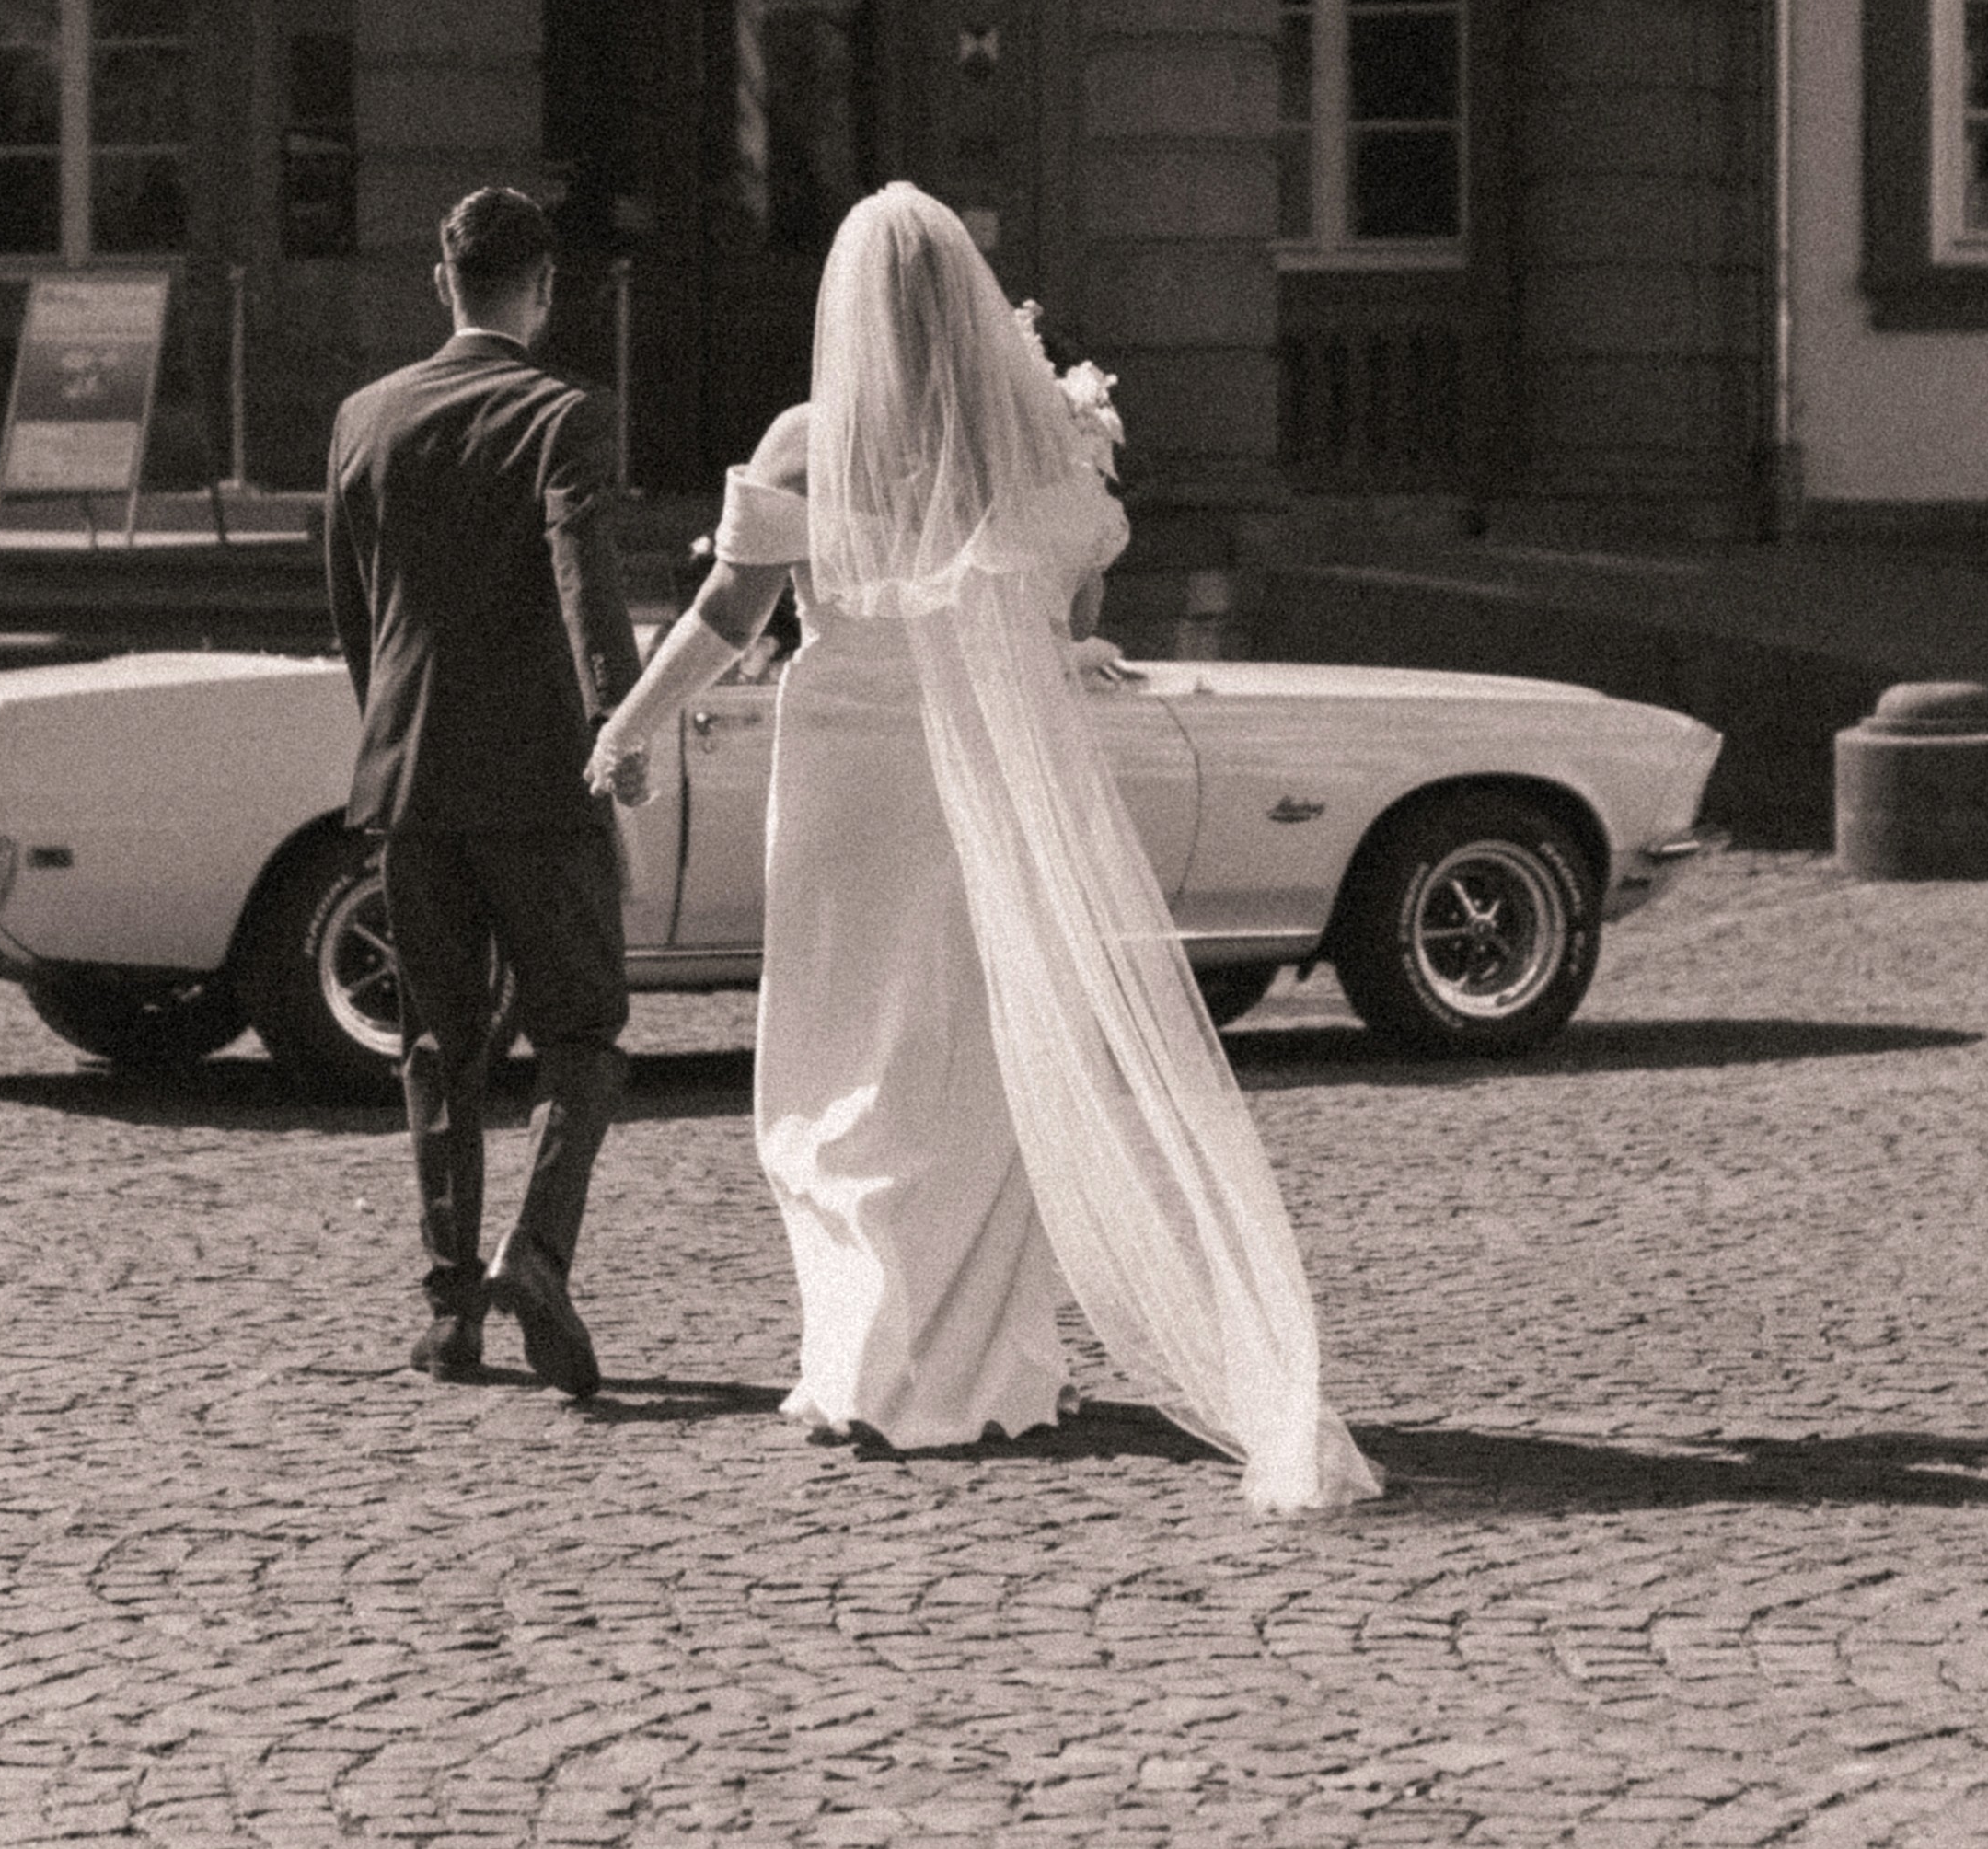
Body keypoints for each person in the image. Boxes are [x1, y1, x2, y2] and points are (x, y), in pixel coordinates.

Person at [586, 183, 1383, 1514]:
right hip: (975, 779)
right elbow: (1071, 593)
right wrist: (1055, 649)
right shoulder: (1033, 439)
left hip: (846, 778)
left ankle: (868, 1361)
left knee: (845, 1059)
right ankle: (993, 1362)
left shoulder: (806, 440)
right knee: (976, 1051)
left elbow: (726, 617)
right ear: (965, 303)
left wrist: (625, 722)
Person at [320, 184, 649, 1400]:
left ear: (439, 282)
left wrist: (396, 734)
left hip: (408, 774)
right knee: (583, 1029)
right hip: (536, 779)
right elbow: (580, 566)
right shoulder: (563, 412)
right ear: (545, 291)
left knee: (435, 1042)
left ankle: (451, 1308)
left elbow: (359, 615)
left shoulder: (364, 417)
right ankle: (537, 1250)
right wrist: (618, 716)